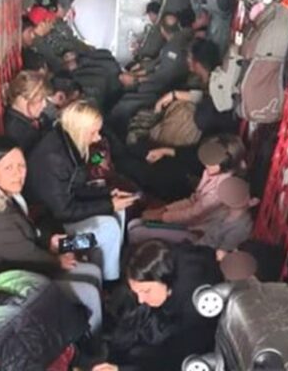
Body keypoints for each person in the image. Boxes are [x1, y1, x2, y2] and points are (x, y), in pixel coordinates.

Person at [0, 136, 103, 334]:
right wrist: (57, 261)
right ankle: (91, 345)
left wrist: (49, 241)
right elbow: (26, 255)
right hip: (2, 288)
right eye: (8, 168)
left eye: (21, 166)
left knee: (93, 269)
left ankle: (95, 328)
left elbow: (25, 235)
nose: (18, 174)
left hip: (20, 268)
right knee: (89, 291)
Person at [25, 100, 138, 281]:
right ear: (80, 130)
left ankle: (112, 263)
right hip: (57, 233)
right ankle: (110, 281)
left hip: (63, 213)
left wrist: (108, 194)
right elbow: (63, 211)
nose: (98, 138)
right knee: (109, 229)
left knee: (119, 210)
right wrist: (108, 205)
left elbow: (75, 188)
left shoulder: (68, 145)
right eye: (93, 132)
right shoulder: (55, 158)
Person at [93, 239, 224, 371]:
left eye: (146, 291)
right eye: (137, 292)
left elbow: (178, 359)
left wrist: (122, 369)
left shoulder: (193, 306)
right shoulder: (166, 259)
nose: (141, 299)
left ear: (164, 280)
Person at [128, 135, 246, 244]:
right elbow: (193, 200)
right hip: (192, 223)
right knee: (135, 224)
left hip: (200, 234)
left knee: (136, 232)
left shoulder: (222, 189)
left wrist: (161, 217)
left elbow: (193, 214)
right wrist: (163, 210)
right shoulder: (211, 172)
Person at [3, 71, 50, 155]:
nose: (45, 104)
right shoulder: (20, 133)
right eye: (41, 99)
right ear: (27, 98)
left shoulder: (35, 117)